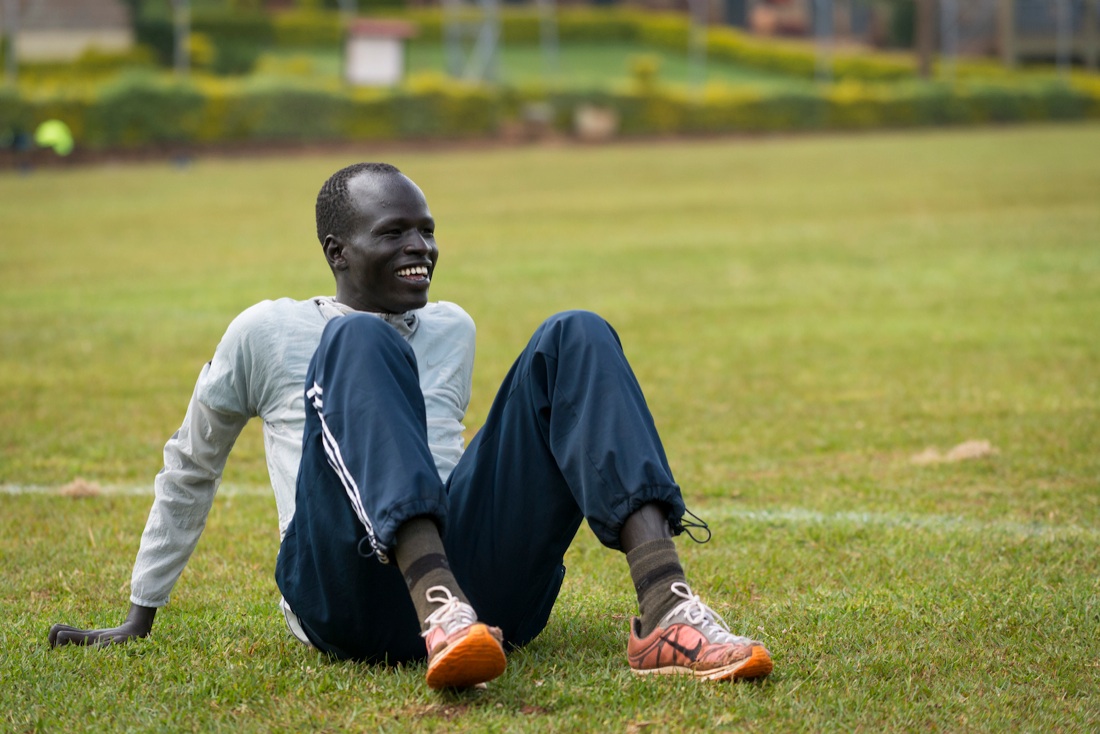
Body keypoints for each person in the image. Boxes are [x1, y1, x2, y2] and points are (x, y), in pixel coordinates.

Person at [48, 162, 773, 689]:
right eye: (393, 232)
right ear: (337, 252)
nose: (419, 247)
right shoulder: (266, 331)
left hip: (486, 596)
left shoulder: (451, 327)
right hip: (344, 597)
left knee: (575, 333)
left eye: (426, 231)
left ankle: (667, 610)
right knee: (359, 337)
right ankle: (437, 606)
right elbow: (191, 465)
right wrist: (140, 613)